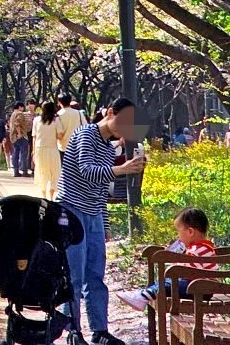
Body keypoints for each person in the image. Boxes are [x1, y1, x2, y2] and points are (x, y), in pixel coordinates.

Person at [58, 95, 146, 345]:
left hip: (93, 214)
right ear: (110, 113)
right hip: (71, 211)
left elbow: (101, 188)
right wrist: (123, 168)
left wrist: (104, 224)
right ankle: (73, 331)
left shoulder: (108, 147)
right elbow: (87, 171)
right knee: (72, 276)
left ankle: (100, 330)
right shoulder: (86, 134)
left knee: (95, 275)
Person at [117, 207, 216, 312]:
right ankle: (143, 295)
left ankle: (142, 297)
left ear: (190, 232)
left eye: (178, 232)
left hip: (197, 290)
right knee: (168, 283)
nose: (178, 236)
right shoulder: (206, 248)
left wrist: (177, 264)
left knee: (167, 284)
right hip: (203, 289)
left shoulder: (196, 249)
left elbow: (191, 272)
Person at [33, 100, 64, 200]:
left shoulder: (37, 120)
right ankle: (51, 195)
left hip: (39, 149)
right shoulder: (56, 120)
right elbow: (59, 136)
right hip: (52, 149)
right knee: (55, 171)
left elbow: (34, 136)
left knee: (42, 171)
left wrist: (33, 151)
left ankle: (43, 195)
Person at [8, 102, 32, 177]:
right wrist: (19, 133)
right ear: (19, 107)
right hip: (21, 136)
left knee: (16, 153)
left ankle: (16, 171)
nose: (23, 108)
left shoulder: (12, 114)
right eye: (22, 107)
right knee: (24, 154)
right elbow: (17, 123)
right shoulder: (20, 114)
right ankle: (24, 171)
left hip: (13, 137)